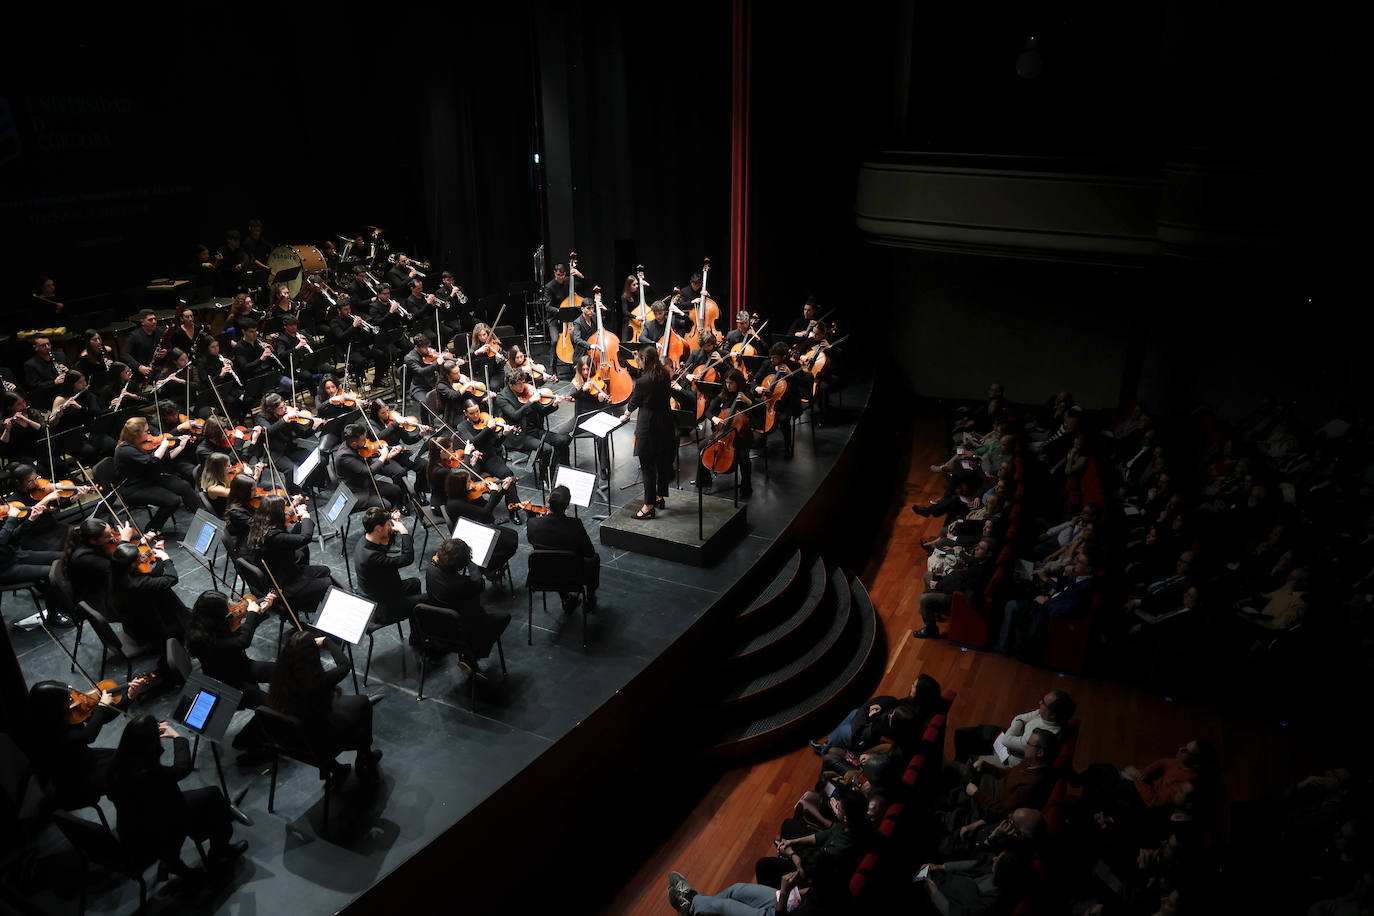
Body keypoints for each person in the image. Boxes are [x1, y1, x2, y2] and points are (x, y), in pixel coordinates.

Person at [105, 715, 246, 870]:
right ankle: (219, 852)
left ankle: (172, 860)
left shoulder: (115, 765)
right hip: (159, 827)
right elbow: (182, 768)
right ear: (151, 744)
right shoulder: (148, 774)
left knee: (202, 799)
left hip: (132, 827)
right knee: (213, 797)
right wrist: (178, 737)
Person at [266, 631, 382, 786]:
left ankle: (336, 768)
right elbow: (345, 665)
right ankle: (365, 757)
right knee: (362, 703)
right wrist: (327, 641)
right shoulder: (319, 683)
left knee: (332, 714)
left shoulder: (279, 676)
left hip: (290, 741)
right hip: (319, 744)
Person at [424, 538, 512, 672]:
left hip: (438, 629)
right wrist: (470, 563)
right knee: (504, 617)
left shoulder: (430, 570)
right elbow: (479, 584)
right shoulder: (461, 583)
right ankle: (472, 655)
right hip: (460, 631)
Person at [244, 493, 336, 620]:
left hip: (287, 572)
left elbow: (289, 540)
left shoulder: (259, 527)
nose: (285, 512)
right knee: (330, 583)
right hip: (287, 586)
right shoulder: (273, 537)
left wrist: (300, 522)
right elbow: (304, 538)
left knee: (325, 570)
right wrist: (306, 517)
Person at [621, 345, 684, 519]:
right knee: (662, 463)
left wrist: (626, 414)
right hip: (665, 423)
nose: (637, 362)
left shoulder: (643, 381)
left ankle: (648, 506)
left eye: (639, 359)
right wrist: (640, 357)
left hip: (648, 426)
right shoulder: (664, 374)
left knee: (647, 467)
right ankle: (659, 496)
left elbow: (634, 402)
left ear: (644, 360)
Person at [185, 590, 277, 709]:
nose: (230, 610)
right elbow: (242, 641)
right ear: (215, 614)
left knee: (283, 671)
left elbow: (242, 632)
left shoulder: (214, 622)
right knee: (272, 706)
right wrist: (252, 614)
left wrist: (260, 611)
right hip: (229, 682)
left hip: (241, 666)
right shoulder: (200, 639)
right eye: (226, 607)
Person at [113, 417, 197, 531]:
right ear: (136, 434)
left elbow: (164, 458)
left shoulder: (142, 443)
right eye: (146, 432)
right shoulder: (125, 450)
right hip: (135, 488)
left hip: (151, 479)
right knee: (172, 501)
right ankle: (152, 529)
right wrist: (163, 446)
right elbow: (152, 461)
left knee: (184, 486)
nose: (150, 434)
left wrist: (181, 446)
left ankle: (204, 519)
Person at [527, 484, 600, 611]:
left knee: (551, 557)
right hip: (571, 576)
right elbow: (589, 553)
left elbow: (532, 540)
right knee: (594, 559)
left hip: (541, 574)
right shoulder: (575, 525)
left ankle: (565, 597)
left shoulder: (533, 523)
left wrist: (529, 515)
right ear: (568, 506)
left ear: (548, 501)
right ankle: (590, 598)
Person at [953, 689, 1076, 765]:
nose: (1039, 703)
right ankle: (960, 761)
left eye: (1043, 703)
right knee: (963, 733)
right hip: (1014, 739)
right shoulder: (1044, 714)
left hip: (1008, 758)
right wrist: (1019, 724)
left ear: (1053, 715)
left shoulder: (1040, 736)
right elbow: (1019, 717)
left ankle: (960, 767)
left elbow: (1007, 739)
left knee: (972, 752)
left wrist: (1019, 724)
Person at [354, 507, 422, 634]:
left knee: (415, 583)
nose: (390, 526)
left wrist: (391, 526)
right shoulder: (371, 558)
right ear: (378, 528)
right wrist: (404, 532)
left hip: (382, 590)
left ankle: (417, 634)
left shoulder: (365, 540)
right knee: (427, 601)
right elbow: (407, 559)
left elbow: (384, 544)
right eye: (388, 525)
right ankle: (422, 635)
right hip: (383, 607)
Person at [495, 368, 572, 480]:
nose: (522, 386)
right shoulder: (502, 397)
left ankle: (559, 470)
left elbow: (541, 411)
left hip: (534, 430)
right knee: (546, 448)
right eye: (518, 384)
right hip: (519, 435)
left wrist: (554, 404)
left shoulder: (528, 391)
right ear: (510, 384)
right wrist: (531, 401)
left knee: (564, 440)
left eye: (523, 382)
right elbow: (515, 415)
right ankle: (543, 477)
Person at [697, 368, 755, 497]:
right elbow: (708, 412)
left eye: (731, 383)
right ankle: (704, 480)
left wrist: (748, 402)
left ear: (738, 383)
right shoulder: (723, 395)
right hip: (723, 432)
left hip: (742, 436)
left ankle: (746, 487)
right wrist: (715, 418)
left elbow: (756, 416)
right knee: (702, 446)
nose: (728, 386)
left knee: (744, 458)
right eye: (727, 383)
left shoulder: (747, 396)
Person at [334, 422, 403, 510]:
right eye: (363, 440)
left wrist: (387, 457)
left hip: (366, 483)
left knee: (396, 490)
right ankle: (379, 516)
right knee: (386, 505)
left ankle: (383, 514)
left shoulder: (355, 447)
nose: (366, 440)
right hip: (355, 491)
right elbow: (368, 471)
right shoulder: (344, 456)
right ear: (354, 444)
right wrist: (383, 456)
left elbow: (370, 462)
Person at [570, 354, 612, 477]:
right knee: (562, 435)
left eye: (588, 369)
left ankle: (604, 468)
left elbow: (600, 404)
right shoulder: (576, 382)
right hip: (581, 419)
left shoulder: (596, 380)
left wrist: (600, 399)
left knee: (601, 436)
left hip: (594, 417)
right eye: (583, 369)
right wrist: (582, 389)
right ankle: (563, 464)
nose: (586, 372)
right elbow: (571, 397)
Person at [22, 335, 66, 410]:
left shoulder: (60, 355)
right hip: (47, 397)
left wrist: (67, 370)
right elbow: (34, 385)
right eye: (43, 345)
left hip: (64, 391)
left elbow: (72, 371)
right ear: (35, 347)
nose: (47, 347)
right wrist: (54, 382)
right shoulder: (30, 364)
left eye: (48, 344)